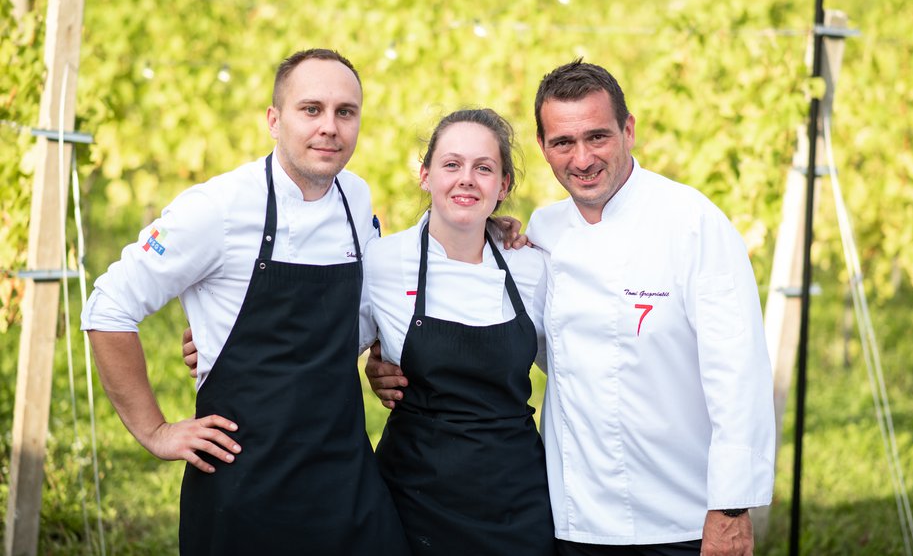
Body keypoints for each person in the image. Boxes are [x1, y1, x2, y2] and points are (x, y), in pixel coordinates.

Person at [368, 60, 775, 556]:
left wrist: (732, 508)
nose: (581, 159)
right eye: (563, 142)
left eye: (597, 137)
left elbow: (739, 376)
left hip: (683, 515)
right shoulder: (543, 236)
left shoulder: (692, 224)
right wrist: (386, 358)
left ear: (628, 131)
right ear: (543, 148)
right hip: (575, 519)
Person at [81, 49, 411, 555]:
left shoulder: (356, 199)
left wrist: (376, 353)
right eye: (311, 109)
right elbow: (108, 307)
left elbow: (353, 311)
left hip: (344, 477)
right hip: (243, 488)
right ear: (274, 121)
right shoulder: (216, 209)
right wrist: (155, 430)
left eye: (345, 112)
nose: (330, 127)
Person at [364, 108, 555, 555]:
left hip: (516, 504)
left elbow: (579, 363)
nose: (466, 179)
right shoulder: (382, 264)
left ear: (503, 185)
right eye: (451, 164)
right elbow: (319, 346)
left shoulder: (532, 267)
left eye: (483, 168)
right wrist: (221, 343)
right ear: (425, 175)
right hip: (412, 499)